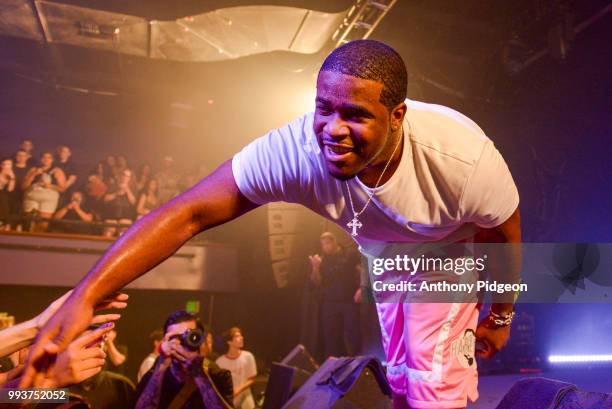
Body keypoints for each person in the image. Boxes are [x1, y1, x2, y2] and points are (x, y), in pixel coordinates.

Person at [23, 40, 521, 409]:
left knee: (433, 379)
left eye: (355, 115)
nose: (333, 130)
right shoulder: (293, 151)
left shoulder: (461, 161)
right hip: (383, 253)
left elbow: (505, 236)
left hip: (448, 251)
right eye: (323, 109)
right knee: (401, 377)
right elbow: (187, 213)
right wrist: (84, 295)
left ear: (397, 116)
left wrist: (499, 316)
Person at [135, 310, 234, 409]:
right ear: (165, 341)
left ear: (200, 340)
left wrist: (199, 374)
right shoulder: (158, 372)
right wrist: (161, 364)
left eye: (190, 336)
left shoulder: (217, 375)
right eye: (175, 337)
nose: (182, 342)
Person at [308, 231, 362, 358]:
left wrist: (362, 288)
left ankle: (359, 365)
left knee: (354, 336)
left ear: (334, 242)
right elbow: (316, 282)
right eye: (323, 244)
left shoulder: (349, 254)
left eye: (327, 243)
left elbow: (363, 269)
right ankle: (335, 368)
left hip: (350, 300)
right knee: (331, 337)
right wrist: (315, 267)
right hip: (330, 302)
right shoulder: (321, 260)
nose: (325, 247)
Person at [21, 151, 66, 232]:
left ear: (52, 160)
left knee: (42, 224)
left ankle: (38, 242)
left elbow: (62, 188)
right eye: (44, 157)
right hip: (32, 197)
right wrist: (33, 174)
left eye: (48, 158)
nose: (46, 159)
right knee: (28, 222)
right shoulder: (34, 169)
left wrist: (50, 186)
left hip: (48, 199)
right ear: (41, 159)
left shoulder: (57, 171)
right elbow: (23, 186)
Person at [216, 327, 257, 409]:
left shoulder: (248, 356)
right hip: (229, 403)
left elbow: (252, 378)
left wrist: (238, 390)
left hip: (247, 403)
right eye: (237, 336)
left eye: (241, 335)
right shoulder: (220, 362)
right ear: (229, 342)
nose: (241, 338)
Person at [102, 168, 137, 237]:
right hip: (112, 215)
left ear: (130, 178)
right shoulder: (113, 186)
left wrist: (127, 190)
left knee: (123, 234)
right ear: (121, 175)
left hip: (125, 216)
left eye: (127, 176)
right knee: (108, 232)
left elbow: (133, 202)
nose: (125, 177)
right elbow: (105, 199)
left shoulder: (133, 188)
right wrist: (116, 193)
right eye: (124, 175)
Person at [9, 150, 29, 230]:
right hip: (11, 196)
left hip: (25, 196)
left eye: (23, 155)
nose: (21, 157)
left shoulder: (30, 169)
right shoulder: (11, 168)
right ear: (16, 157)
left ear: (27, 157)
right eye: (19, 155)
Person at [0, 158, 16, 230]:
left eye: (9, 164)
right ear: (1, 165)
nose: (7, 166)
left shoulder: (11, 175)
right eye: (5, 164)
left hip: (5, 199)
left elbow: (10, 189)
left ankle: (6, 223)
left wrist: (12, 178)